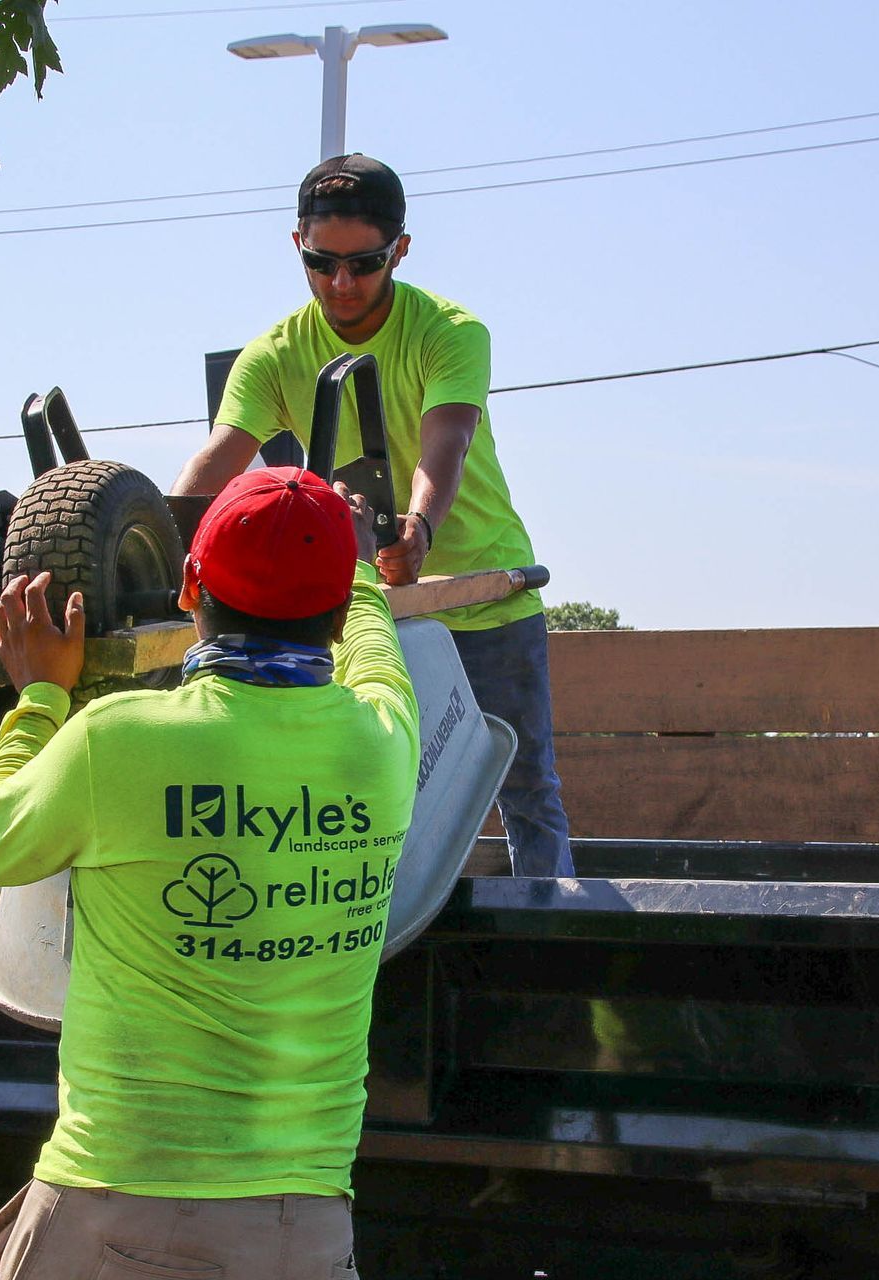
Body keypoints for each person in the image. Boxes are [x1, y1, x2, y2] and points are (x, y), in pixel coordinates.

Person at [0, 467, 421, 1280]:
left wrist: (37, 696)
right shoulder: (383, 746)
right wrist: (355, 561)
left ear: (187, 587)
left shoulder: (118, 741)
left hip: (118, 1208)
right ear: (340, 612)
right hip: (305, 1231)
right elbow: (375, 648)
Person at [173, 153, 573, 879]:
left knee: (527, 791)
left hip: (484, 601)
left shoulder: (451, 330)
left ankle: (545, 958)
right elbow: (214, 468)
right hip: (362, 617)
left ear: (402, 251)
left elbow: (442, 446)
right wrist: (169, 551)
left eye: (365, 263)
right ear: (297, 245)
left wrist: (416, 531)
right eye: (322, 263)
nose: (342, 284)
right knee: (375, 795)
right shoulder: (273, 355)